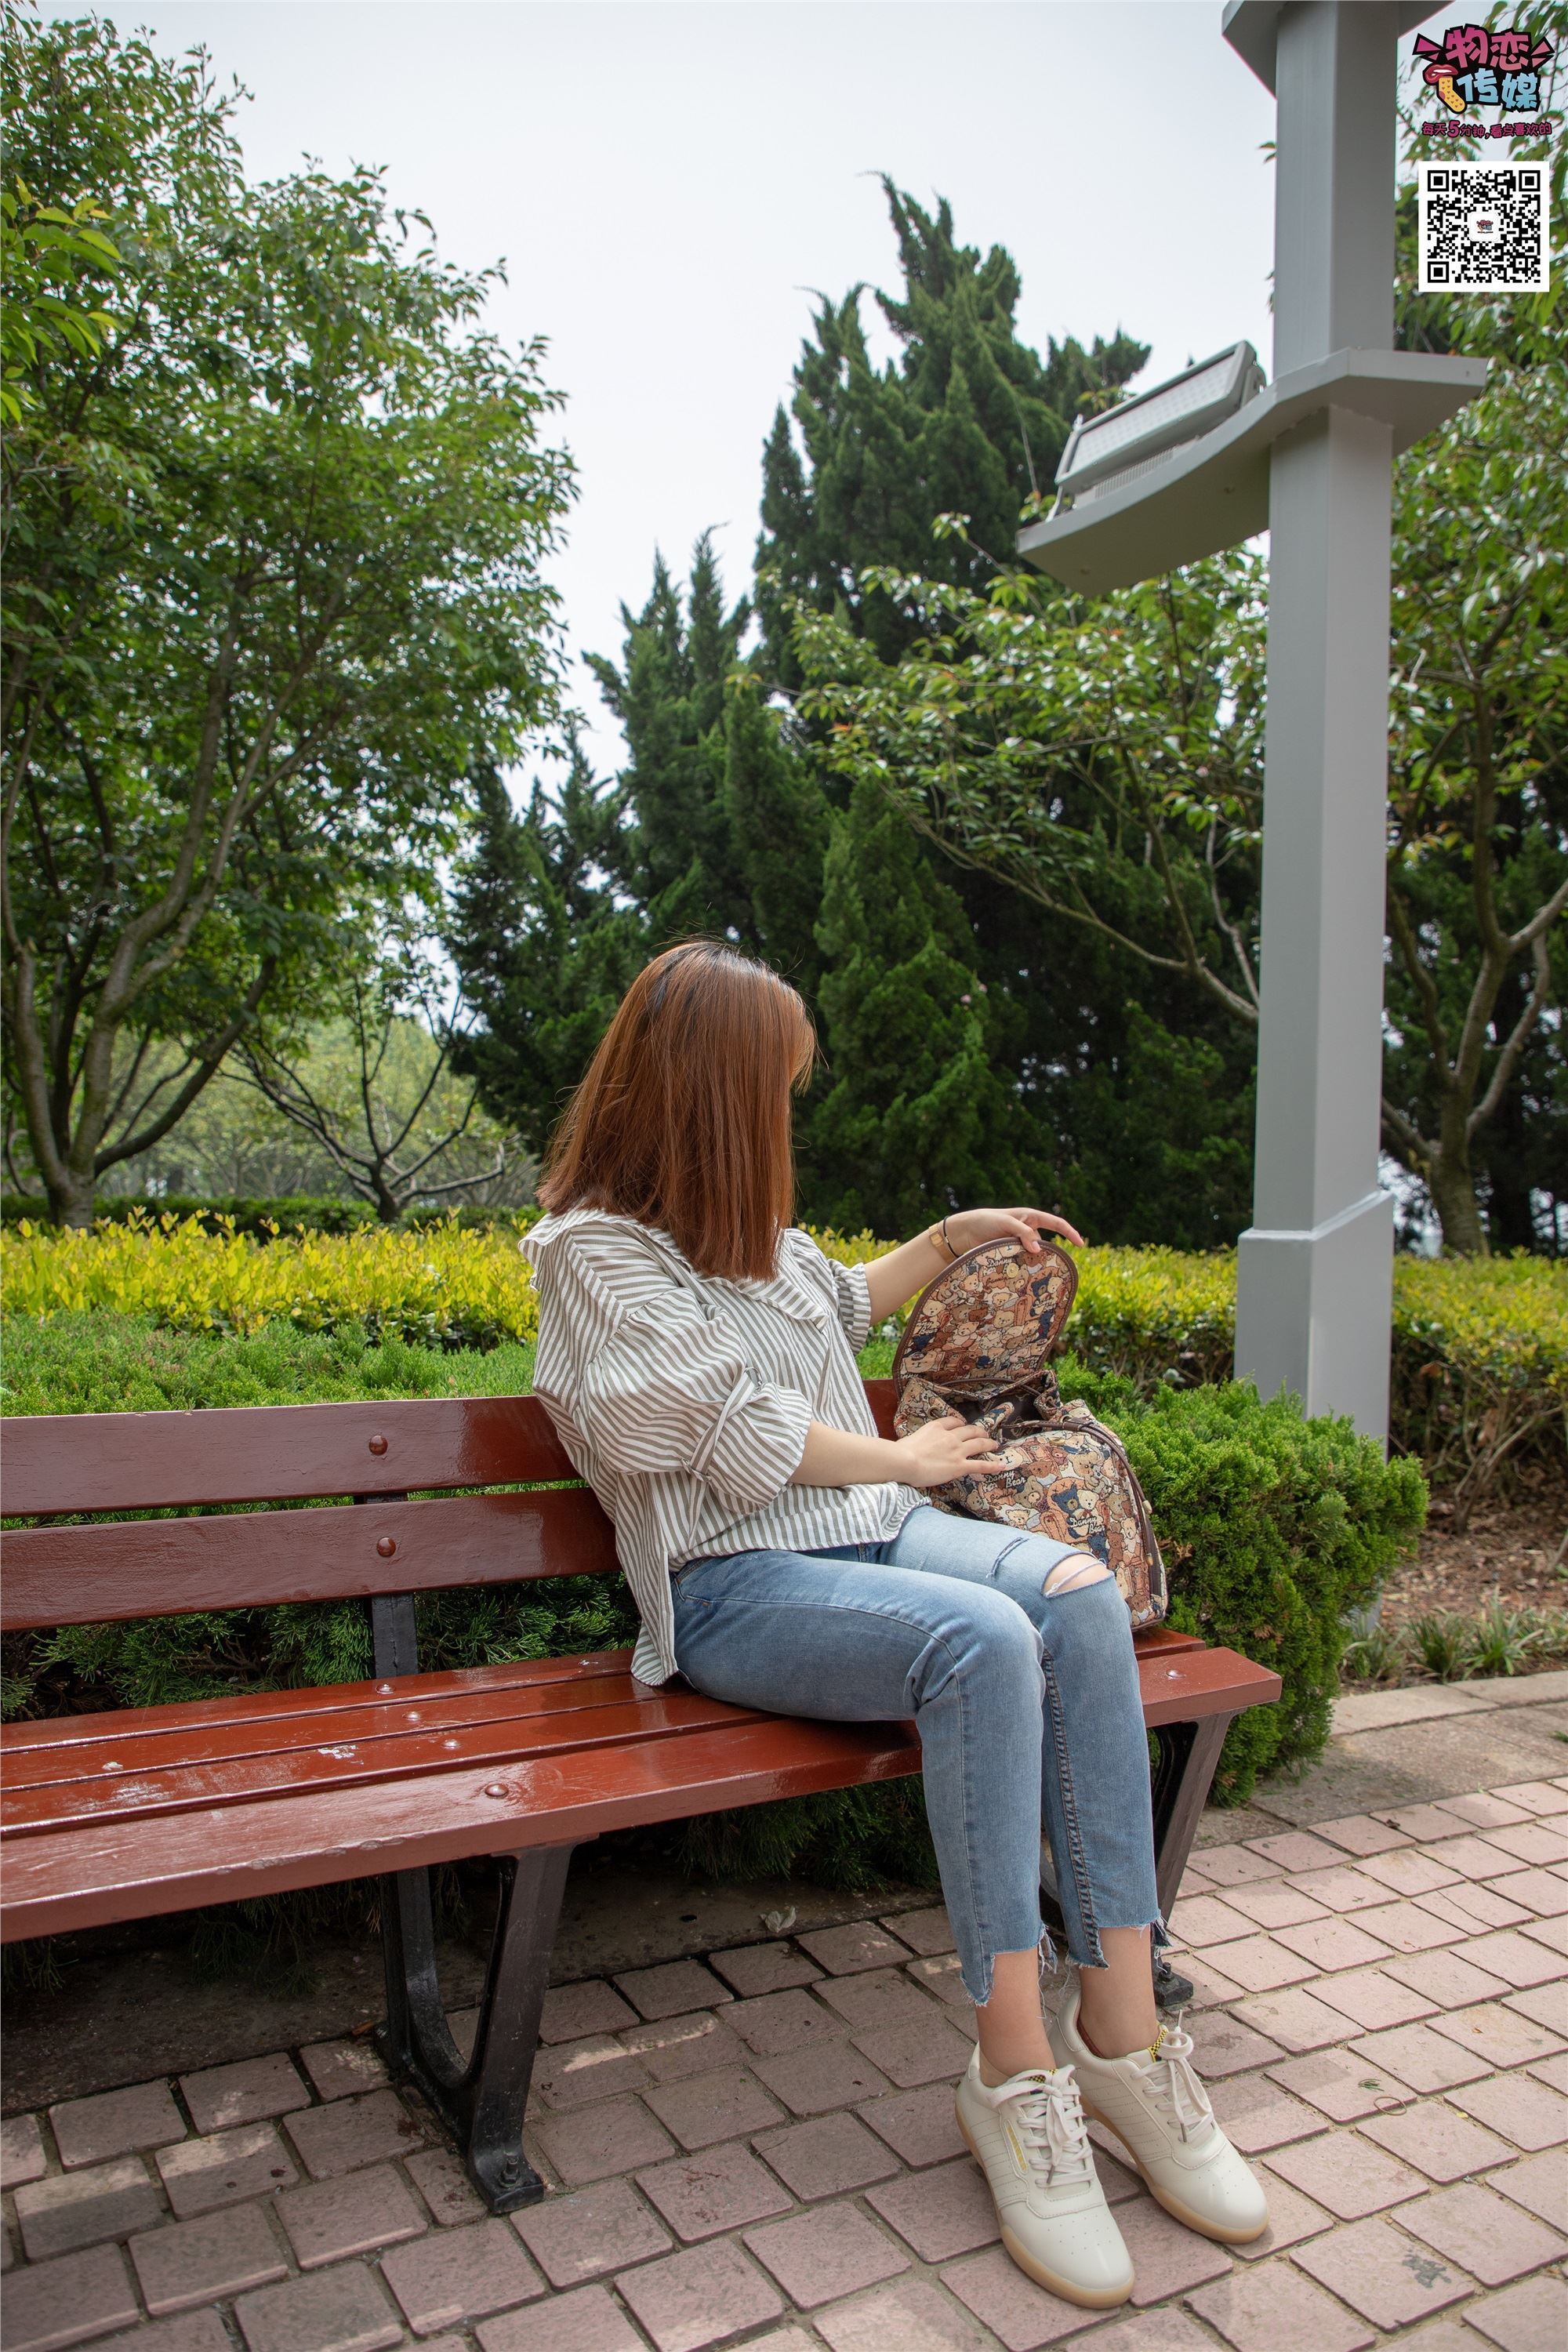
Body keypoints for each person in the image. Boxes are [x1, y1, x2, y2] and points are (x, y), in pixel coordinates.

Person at [521, 939, 1266, 2306]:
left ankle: (1122, 2036)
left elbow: (836, 1302)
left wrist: (950, 1241)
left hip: (883, 1542)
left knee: (1079, 1599)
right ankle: (1013, 2073)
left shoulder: (757, 1250)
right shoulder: (590, 1259)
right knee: (981, 1644)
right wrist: (906, 1460)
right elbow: (712, 1424)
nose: (790, 1120)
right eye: (780, 1095)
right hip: (732, 1585)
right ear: (714, 1101)